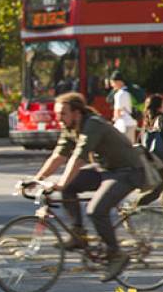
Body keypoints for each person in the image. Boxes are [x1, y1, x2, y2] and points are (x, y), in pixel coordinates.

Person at [32, 92, 146, 281]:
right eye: (57, 114)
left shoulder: (92, 124)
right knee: (69, 188)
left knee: (95, 210)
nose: (59, 119)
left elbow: (78, 157)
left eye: (63, 114)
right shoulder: (69, 127)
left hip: (127, 171)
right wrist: (37, 179)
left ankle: (116, 254)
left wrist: (60, 182)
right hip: (105, 169)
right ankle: (78, 234)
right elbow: (58, 156)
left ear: (76, 113)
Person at [137, 94, 163, 206]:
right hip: (159, 157)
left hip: (150, 156)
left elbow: (140, 138)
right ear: (159, 106)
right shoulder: (161, 118)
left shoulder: (147, 119)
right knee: (159, 188)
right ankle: (137, 206)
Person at [110, 71, 137, 143]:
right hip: (132, 123)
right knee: (131, 148)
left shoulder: (119, 94)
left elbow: (117, 113)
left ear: (118, 82)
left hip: (123, 126)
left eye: (112, 83)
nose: (112, 85)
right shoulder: (130, 92)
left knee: (123, 149)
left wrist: (113, 121)